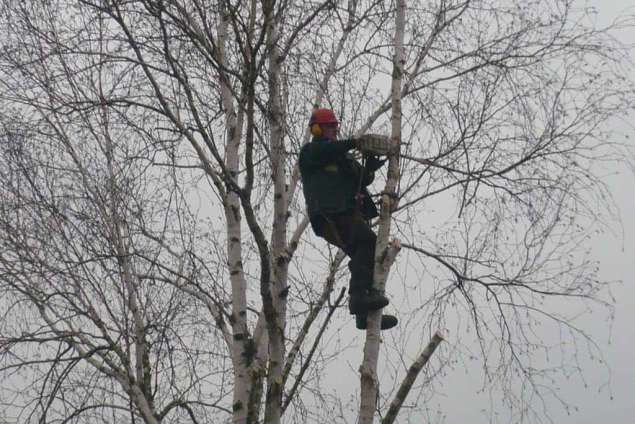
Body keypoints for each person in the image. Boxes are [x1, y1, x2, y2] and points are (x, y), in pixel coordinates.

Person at [299, 108, 398, 330]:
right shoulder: (311, 152)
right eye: (330, 126)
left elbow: (360, 178)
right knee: (368, 243)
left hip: (346, 214)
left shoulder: (342, 159)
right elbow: (328, 150)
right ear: (317, 129)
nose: (335, 129)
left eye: (336, 126)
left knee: (370, 256)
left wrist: (370, 167)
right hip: (330, 214)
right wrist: (355, 143)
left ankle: (365, 315)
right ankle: (357, 299)